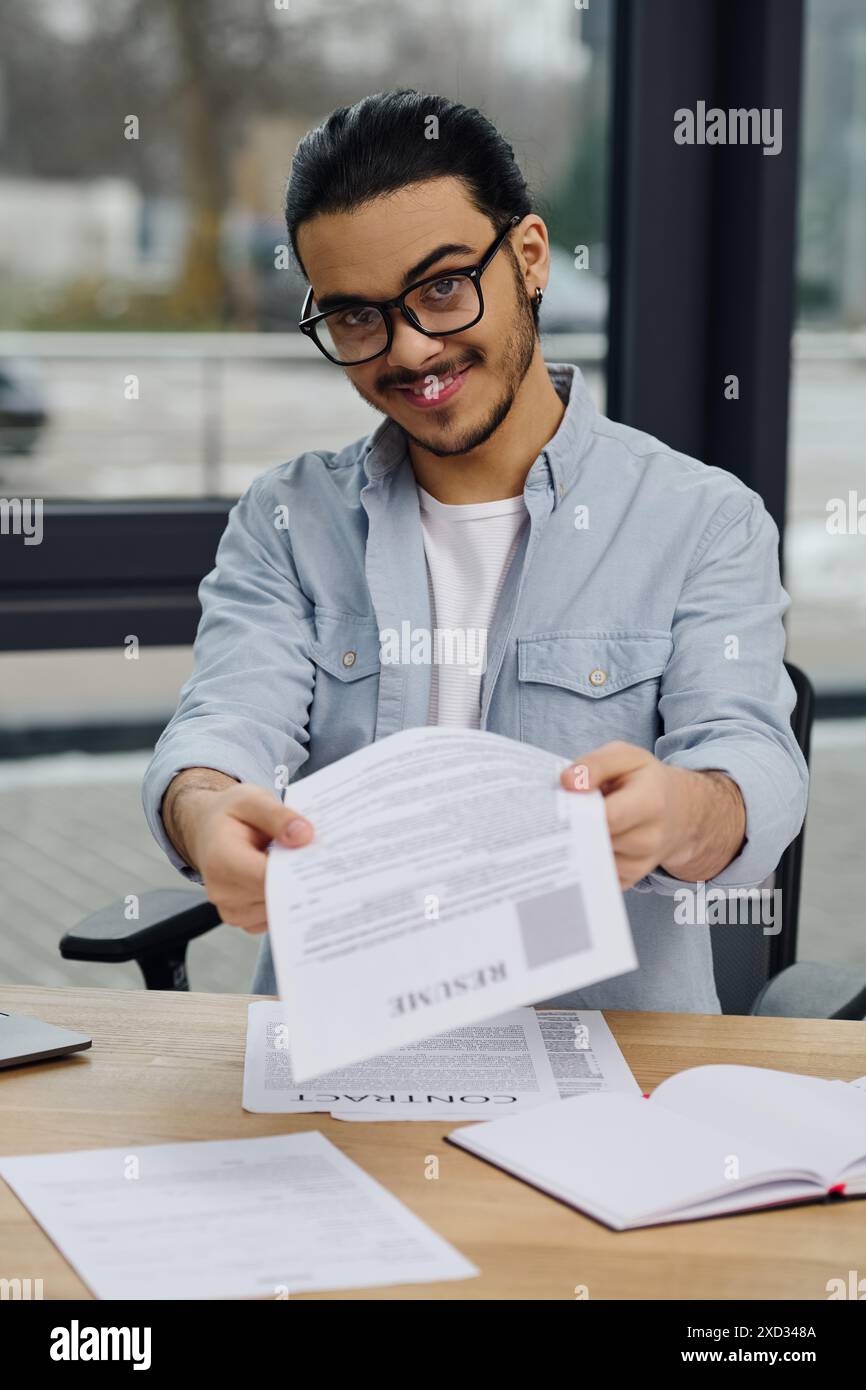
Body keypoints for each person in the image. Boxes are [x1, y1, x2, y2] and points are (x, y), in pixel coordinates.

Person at [142, 90, 808, 1011]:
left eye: (443, 287)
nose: (411, 349)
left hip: (608, 1072)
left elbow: (752, 765)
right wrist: (206, 811)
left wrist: (685, 811)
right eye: (357, 319)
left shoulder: (702, 519)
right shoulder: (286, 519)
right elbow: (221, 728)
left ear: (530, 257)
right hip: (339, 1058)